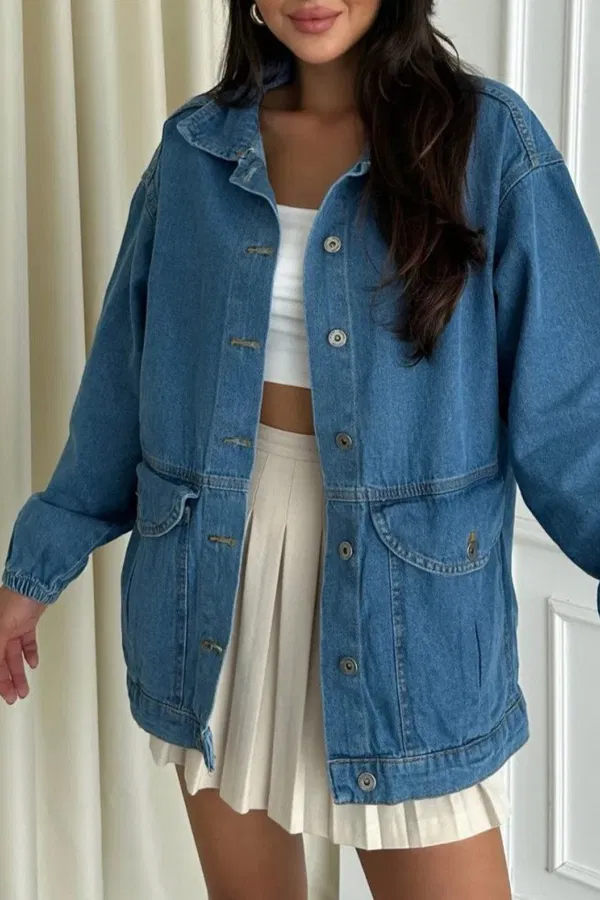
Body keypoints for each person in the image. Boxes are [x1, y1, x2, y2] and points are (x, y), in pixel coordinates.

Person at [3, 1, 600, 897]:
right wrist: (36, 565)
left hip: (405, 608)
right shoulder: (197, 149)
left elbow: (576, 402)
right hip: (214, 577)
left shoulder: (487, 144)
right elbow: (124, 383)